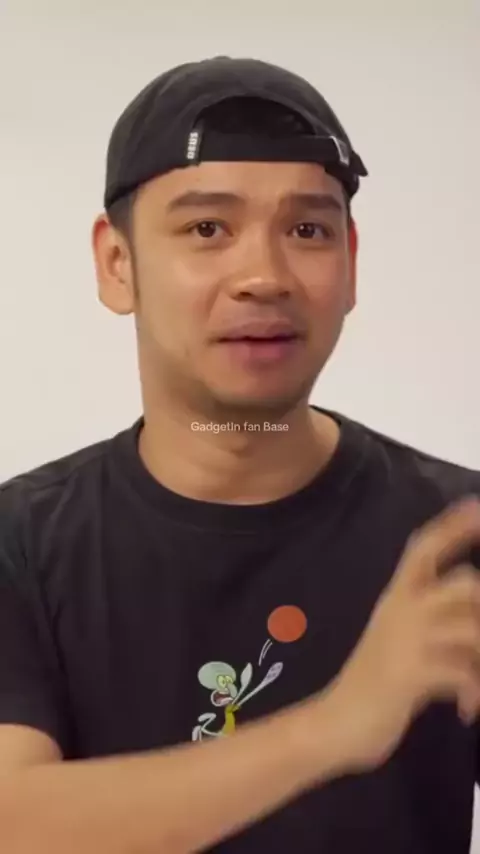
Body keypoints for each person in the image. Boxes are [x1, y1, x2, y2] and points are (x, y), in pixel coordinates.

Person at [0, 55, 479, 854]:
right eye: (207, 229)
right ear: (117, 264)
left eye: (307, 230)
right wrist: (337, 725)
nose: (263, 277)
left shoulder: (455, 537)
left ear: (351, 263)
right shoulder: (20, 546)